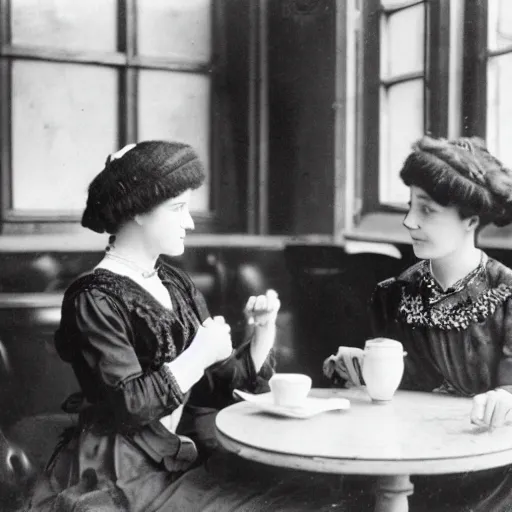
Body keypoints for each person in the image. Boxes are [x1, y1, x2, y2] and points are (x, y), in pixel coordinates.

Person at [26, 140, 354, 511]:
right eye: (178, 208)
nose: (190, 221)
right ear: (138, 211)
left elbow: (212, 388)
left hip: (179, 449)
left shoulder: (174, 282)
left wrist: (262, 334)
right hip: (123, 467)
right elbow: (128, 406)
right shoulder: (93, 298)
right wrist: (197, 354)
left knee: (309, 494)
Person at [324, 135, 512, 511]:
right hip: (402, 466)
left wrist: (505, 399)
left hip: (490, 474)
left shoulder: (507, 295)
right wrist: (360, 373)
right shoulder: (391, 295)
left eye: (427, 210)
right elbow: (392, 403)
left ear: (470, 220)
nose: (409, 221)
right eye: (410, 206)